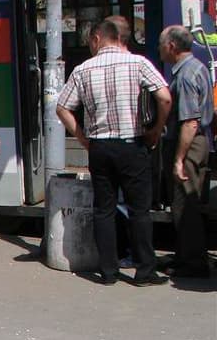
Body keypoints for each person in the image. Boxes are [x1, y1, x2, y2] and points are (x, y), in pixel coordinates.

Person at [56, 18, 172, 287]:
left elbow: (62, 107)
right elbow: (164, 97)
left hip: (100, 148)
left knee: (104, 209)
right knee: (139, 210)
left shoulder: (83, 69)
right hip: (132, 144)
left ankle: (108, 272)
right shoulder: (139, 63)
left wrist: (84, 139)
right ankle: (144, 271)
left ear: (97, 38)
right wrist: (155, 129)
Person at [158, 25, 213, 279]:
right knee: (184, 203)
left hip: (188, 144)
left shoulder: (186, 75)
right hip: (197, 142)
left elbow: (190, 122)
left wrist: (179, 159)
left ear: (172, 47)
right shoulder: (197, 67)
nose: (159, 50)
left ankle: (193, 263)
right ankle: (186, 256)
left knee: (186, 204)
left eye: (161, 45)